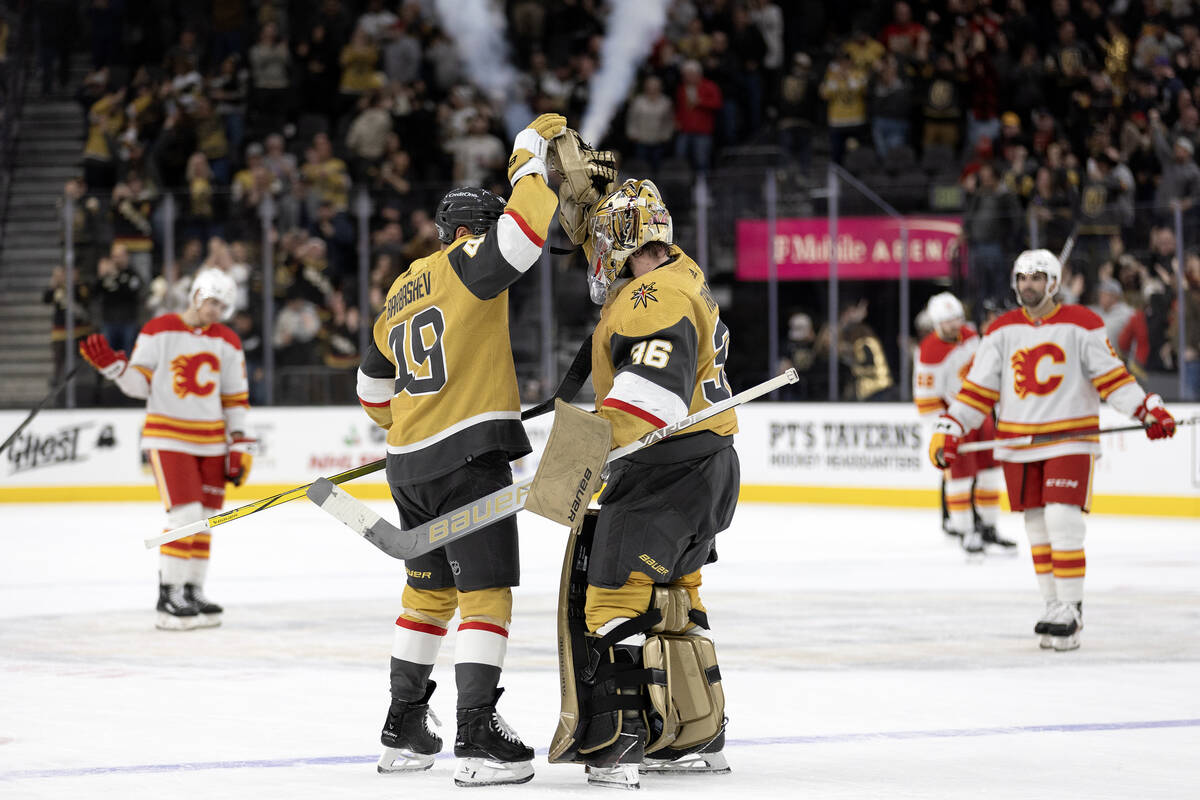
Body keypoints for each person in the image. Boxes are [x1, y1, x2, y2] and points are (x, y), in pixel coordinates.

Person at [353, 114, 565, 787]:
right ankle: (475, 735)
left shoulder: (401, 286)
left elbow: (370, 389)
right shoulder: (468, 264)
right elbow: (527, 233)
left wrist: (412, 418)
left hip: (406, 463)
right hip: (467, 462)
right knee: (486, 593)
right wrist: (528, 157)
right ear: (476, 228)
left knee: (429, 591)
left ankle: (404, 727)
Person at [554, 177, 740, 789]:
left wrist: (575, 456)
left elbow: (648, 397)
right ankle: (697, 727)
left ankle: (620, 736)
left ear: (624, 242)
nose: (596, 253)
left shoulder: (650, 296)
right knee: (676, 593)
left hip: (667, 465)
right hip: (710, 461)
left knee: (611, 593)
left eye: (603, 240)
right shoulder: (684, 275)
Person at [930, 250, 1177, 651]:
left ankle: (1072, 609)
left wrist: (1145, 406)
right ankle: (1053, 606)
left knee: (1064, 520)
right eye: (1022, 277)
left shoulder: (1083, 323)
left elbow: (1112, 378)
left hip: (1070, 439)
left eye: (1037, 277)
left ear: (1054, 283)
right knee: (1038, 528)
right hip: (1019, 444)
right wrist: (951, 425)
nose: (1028, 284)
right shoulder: (1001, 331)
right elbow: (976, 392)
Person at [77, 270, 252, 631]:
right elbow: (138, 386)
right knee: (185, 515)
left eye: (222, 305)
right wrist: (115, 369)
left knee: (205, 520)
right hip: (168, 437)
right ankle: (168, 595)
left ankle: (192, 590)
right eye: (211, 301)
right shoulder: (159, 329)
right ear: (196, 294)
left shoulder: (228, 340)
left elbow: (235, 398)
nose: (215, 310)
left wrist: (240, 443)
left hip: (211, 442)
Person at [913, 292, 1013, 554]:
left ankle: (989, 528)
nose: (955, 325)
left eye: (958, 318)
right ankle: (965, 531)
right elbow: (926, 400)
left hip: (981, 414)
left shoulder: (971, 336)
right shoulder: (929, 352)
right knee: (959, 478)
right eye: (948, 321)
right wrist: (942, 429)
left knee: (990, 474)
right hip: (955, 420)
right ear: (936, 323)